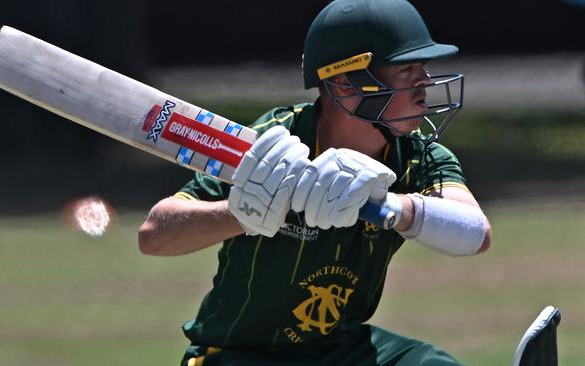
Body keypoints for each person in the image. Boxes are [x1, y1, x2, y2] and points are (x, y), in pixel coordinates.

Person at [138, 0, 492, 365]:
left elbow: (475, 234)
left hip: (339, 349)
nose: (424, 84)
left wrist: (393, 208)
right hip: (239, 353)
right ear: (344, 82)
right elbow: (154, 235)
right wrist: (240, 214)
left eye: (423, 68)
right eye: (405, 70)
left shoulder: (420, 156)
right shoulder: (272, 142)